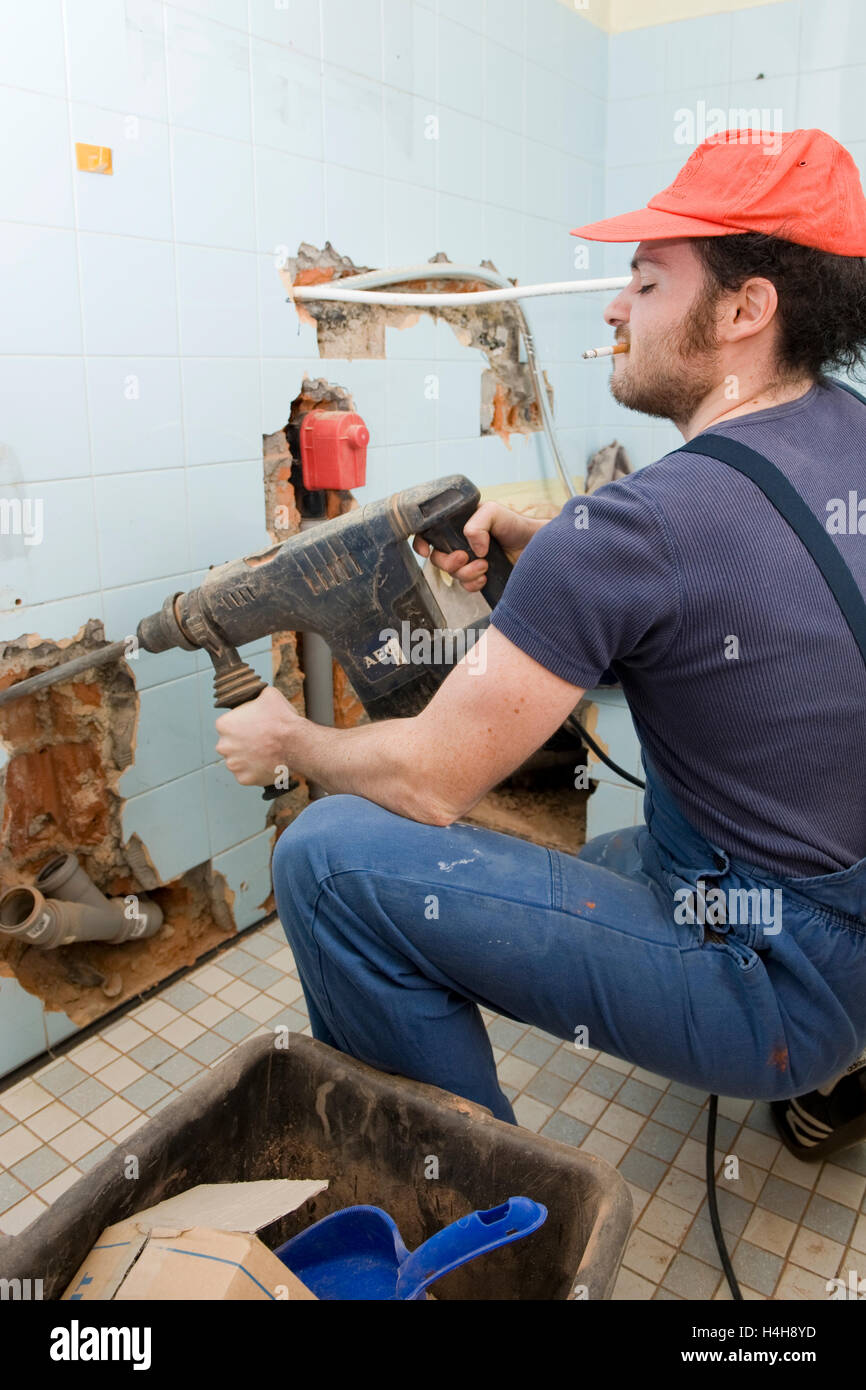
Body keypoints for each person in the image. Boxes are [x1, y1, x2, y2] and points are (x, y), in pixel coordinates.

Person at [215, 128, 866, 1151]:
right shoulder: (843, 434)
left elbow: (429, 782)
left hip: (771, 981)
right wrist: (562, 554)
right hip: (823, 903)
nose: (614, 309)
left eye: (646, 284)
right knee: (530, 837)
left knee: (330, 858)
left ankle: (471, 1217)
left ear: (745, 310)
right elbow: (747, 615)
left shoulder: (638, 527)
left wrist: (287, 741)